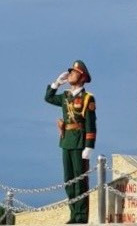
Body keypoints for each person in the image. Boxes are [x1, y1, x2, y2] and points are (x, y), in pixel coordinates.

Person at [44, 60, 96, 224]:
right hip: (66, 141)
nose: (70, 74)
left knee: (79, 181)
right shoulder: (66, 96)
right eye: (70, 72)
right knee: (69, 181)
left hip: (79, 142)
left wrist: (89, 146)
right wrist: (56, 83)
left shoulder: (88, 98)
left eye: (73, 72)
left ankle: (81, 216)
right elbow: (48, 98)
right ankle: (73, 214)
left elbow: (90, 123)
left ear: (82, 77)